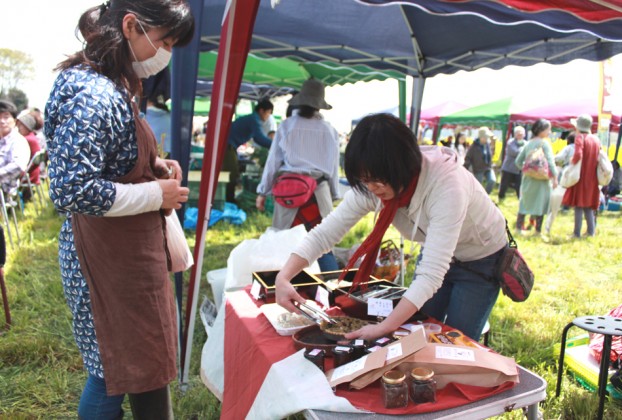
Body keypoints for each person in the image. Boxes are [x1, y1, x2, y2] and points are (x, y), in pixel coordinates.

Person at [44, 1, 194, 418]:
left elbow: (112, 162)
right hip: (105, 260)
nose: (165, 52)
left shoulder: (113, 85)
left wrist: (155, 169)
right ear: (131, 27)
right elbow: (72, 189)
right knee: (112, 369)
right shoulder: (91, 92)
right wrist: (154, 195)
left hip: (125, 256)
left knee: (134, 366)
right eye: (163, 40)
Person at [275, 114, 507, 341]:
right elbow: (325, 233)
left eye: (377, 180)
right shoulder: (373, 183)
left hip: (481, 257)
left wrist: (384, 327)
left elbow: (430, 275)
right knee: (423, 329)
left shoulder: (447, 186)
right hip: (441, 250)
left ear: (402, 167)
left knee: (457, 339)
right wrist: (284, 277)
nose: (372, 188)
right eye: (364, 180)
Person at [256, 79, 340, 271]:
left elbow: (272, 163)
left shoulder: (286, 126)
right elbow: (333, 168)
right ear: (320, 105)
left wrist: (263, 192)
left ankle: (281, 287)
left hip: (289, 194)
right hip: (318, 195)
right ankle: (331, 289)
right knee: (322, 246)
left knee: (284, 246)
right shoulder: (330, 131)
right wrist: (333, 195)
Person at [222, 99, 274, 203]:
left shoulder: (252, 119)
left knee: (233, 172)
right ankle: (229, 201)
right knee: (232, 174)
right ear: (261, 110)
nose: (268, 116)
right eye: (268, 113)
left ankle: (229, 199)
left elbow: (257, 138)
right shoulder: (254, 120)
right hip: (227, 146)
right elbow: (259, 138)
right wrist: (275, 145)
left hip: (229, 145)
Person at [514, 119, 557, 235]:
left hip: (528, 179)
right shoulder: (545, 144)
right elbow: (550, 161)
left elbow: (518, 161)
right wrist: (555, 177)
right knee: (541, 204)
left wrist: (526, 169)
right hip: (542, 180)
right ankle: (537, 231)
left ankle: (518, 228)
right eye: (548, 129)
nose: (549, 132)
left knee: (524, 203)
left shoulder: (528, 143)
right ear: (542, 130)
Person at [561, 114, 601, 238]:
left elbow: (578, 155)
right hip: (593, 177)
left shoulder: (580, 138)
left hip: (581, 175)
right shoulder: (595, 139)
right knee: (588, 205)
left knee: (578, 204)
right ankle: (591, 232)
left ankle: (576, 233)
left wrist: (571, 162)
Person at [0, 100, 31, 197]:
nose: (2, 121)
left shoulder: (18, 141)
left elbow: (18, 166)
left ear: (15, 121)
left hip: (5, 188)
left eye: (6, 117)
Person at [464, 126, 496, 194]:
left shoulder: (487, 144)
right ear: (481, 137)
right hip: (478, 169)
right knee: (478, 187)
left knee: (492, 180)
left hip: (488, 168)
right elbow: (468, 158)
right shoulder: (473, 147)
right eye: (486, 137)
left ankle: (486, 196)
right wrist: (465, 169)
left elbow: (490, 155)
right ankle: (477, 200)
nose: (487, 138)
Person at [498, 126, 526, 201]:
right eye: (518, 134)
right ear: (515, 134)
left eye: (521, 134)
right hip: (509, 167)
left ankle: (520, 199)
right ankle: (501, 197)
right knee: (504, 184)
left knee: (519, 185)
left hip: (519, 168)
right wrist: (524, 150)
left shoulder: (526, 143)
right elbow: (515, 152)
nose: (520, 135)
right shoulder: (511, 142)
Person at [16, 111, 43, 187]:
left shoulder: (27, 139)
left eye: (21, 126)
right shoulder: (31, 137)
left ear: (28, 127)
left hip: (29, 175)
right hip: (33, 173)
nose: (18, 128)